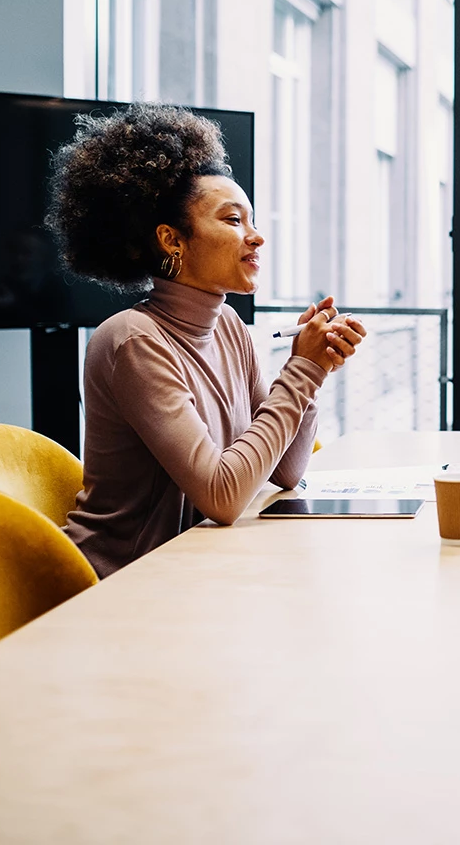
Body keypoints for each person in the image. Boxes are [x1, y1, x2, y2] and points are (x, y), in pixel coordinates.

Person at [48, 104, 366, 577]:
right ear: (172, 240)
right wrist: (301, 373)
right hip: (125, 584)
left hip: (197, 569)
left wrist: (312, 375)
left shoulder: (229, 328)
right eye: (234, 220)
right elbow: (223, 495)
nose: (256, 237)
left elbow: (286, 471)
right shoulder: (132, 341)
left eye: (253, 221)